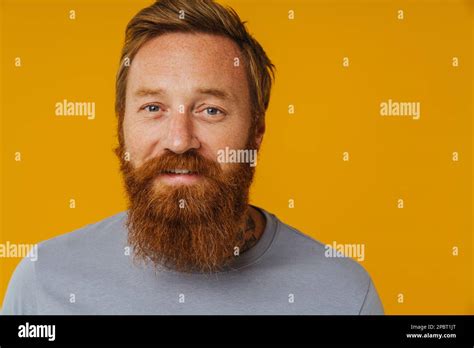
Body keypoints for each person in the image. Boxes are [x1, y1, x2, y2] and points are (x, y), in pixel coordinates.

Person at [1, 0, 383, 315]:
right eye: (153, 107)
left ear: (256, 132)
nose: (180, 141)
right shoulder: (42, 284)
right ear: (121, 128)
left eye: (211, 110)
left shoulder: (344, 296)